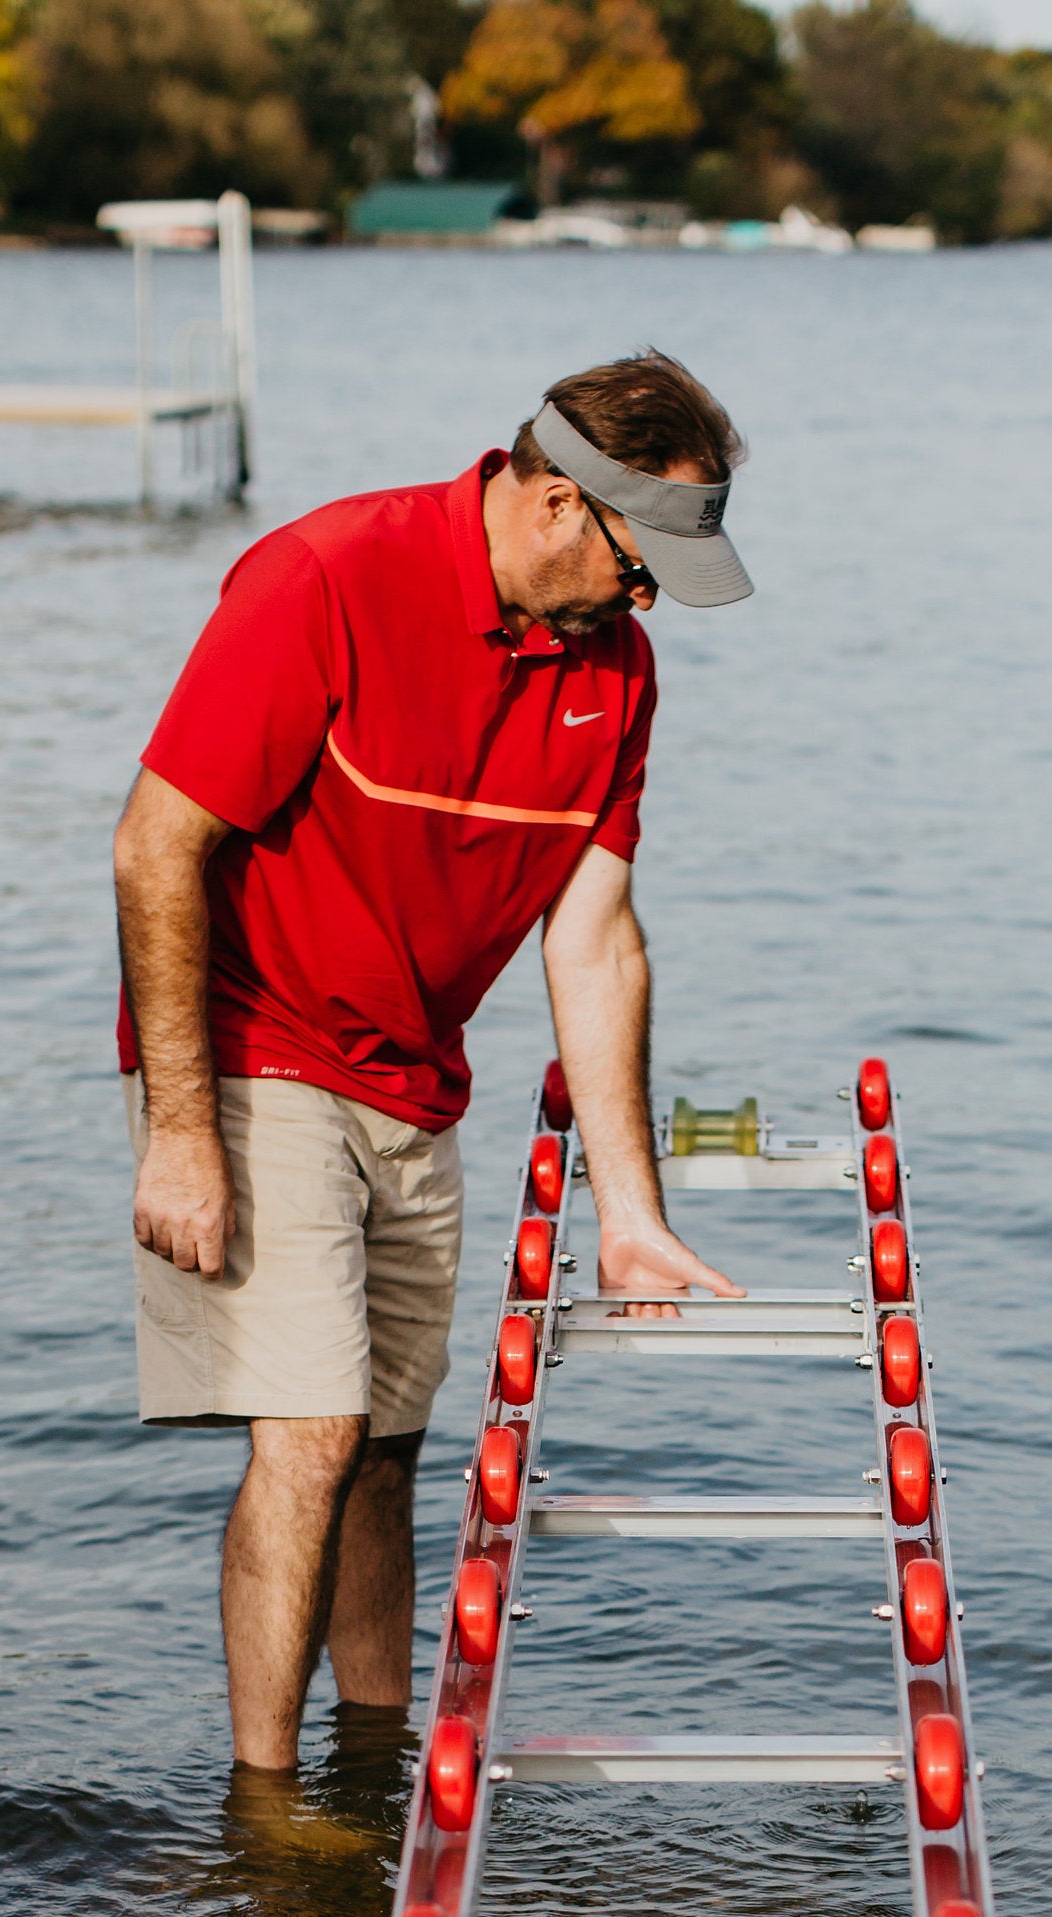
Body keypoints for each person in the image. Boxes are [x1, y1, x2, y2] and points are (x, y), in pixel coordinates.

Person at [112, 350, 753, 1773]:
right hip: (253, 1042)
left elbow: (596, 943)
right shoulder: (324, 579)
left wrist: (632, 1213)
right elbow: (157, 843)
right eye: (639, 570)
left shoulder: (617, 676)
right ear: (550, 502)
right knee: (314, 1426)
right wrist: (179, 1129)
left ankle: (371, 1770)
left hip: (413, 1076)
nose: (648, 606)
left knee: (390, 1449)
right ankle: (267, 1819)